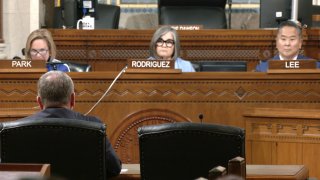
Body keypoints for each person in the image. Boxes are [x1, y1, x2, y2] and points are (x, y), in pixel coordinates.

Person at [19, 71, 122, 178]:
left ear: (39, 102)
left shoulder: (15, 129)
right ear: (73, 99)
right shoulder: (94, 126)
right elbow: (114, 169)